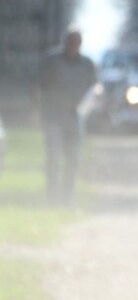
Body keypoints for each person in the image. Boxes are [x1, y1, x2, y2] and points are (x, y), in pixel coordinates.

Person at [36, 26, 97, 205]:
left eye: (76, 41)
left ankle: (67, 196)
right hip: (53, 115)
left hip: (75, 115)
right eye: (70, 41)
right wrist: (35, 111)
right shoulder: (52, 61)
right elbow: (38, 86)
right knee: (54, 157)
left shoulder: (87, 64)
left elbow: (94, 90)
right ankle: (52, 196)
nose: (73, 44)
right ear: (65, 42)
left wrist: (88, 109)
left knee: (73, 158)